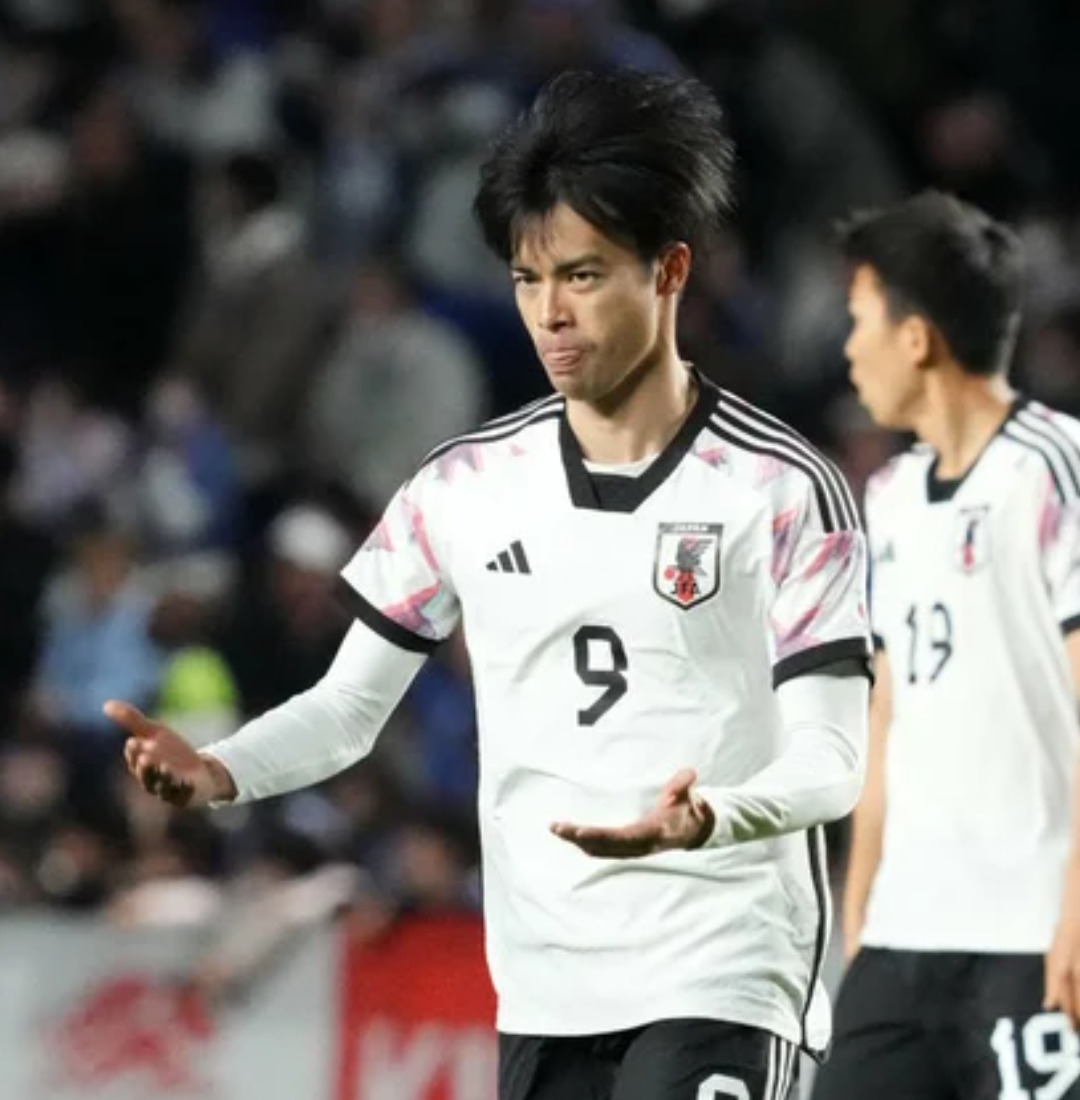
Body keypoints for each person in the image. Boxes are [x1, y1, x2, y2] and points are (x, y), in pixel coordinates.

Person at [105, 69, 872, 1100]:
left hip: (723, 967)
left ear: (670, 269)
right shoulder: (463, 485)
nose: (551, 312)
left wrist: (711, 817)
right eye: (527, 278)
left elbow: (833, 760)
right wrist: (220, 770)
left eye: (584, 275)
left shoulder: (778, 487)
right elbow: (347, 709)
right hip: (546, 989)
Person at [811, 191, 1080, 1100]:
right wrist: (860, 906)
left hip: (1032, 933)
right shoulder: (888, 497)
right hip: (904, 938)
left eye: (860, 320)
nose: (850, 349)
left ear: (916, 337)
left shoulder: (1054, 473)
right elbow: (888, 710)